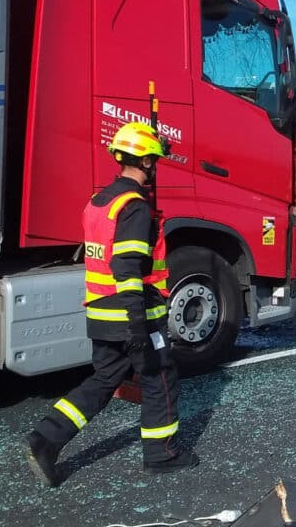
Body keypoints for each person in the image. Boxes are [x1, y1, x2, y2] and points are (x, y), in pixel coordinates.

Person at [25, 122, 197, 487]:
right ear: (148, 162)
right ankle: (161, 454)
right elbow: (127, 267)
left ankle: (46, 438)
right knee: (160, 378)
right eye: (154, 161)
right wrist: (137, 325)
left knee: (105, 379)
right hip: (133, 313)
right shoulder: (134, 207)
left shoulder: (99, 201)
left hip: (100, 311)